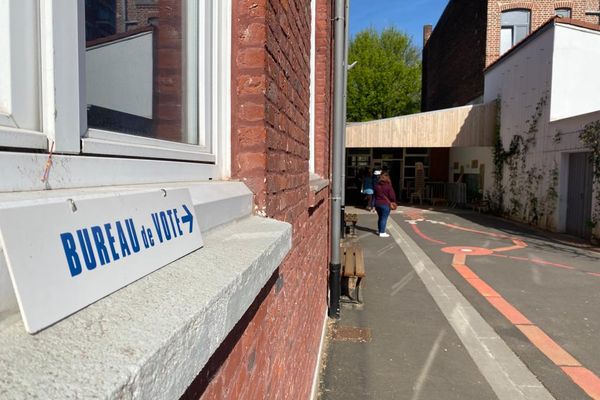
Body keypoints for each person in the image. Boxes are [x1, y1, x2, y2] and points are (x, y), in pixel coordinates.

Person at [373, 172, 396, 237]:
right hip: (385, 204)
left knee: (380, 217)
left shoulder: (377, 186)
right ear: (387, 178)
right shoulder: (388, 186)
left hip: (377, 204)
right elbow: (392, 196)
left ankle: (380, 230)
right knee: (384, 218)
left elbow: (374, 195)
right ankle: (382, 232)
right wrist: (393, 201)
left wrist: (373, 204)